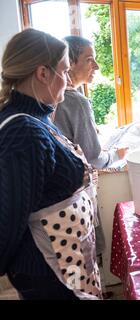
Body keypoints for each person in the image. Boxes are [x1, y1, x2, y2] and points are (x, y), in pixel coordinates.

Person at [0, 29, 102, 300]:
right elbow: (9, 220)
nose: (68, 80)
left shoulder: (38, 117)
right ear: (43, 74)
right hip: (47, 273)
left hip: (68, 259)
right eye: (65, 71)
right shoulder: (23, 132)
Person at [53, 35, 127, 169]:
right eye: (89, 60)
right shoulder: (77, 102)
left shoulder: (54, 95)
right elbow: (94, 160)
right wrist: (117, 155)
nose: (97, 66)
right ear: (69, 63)